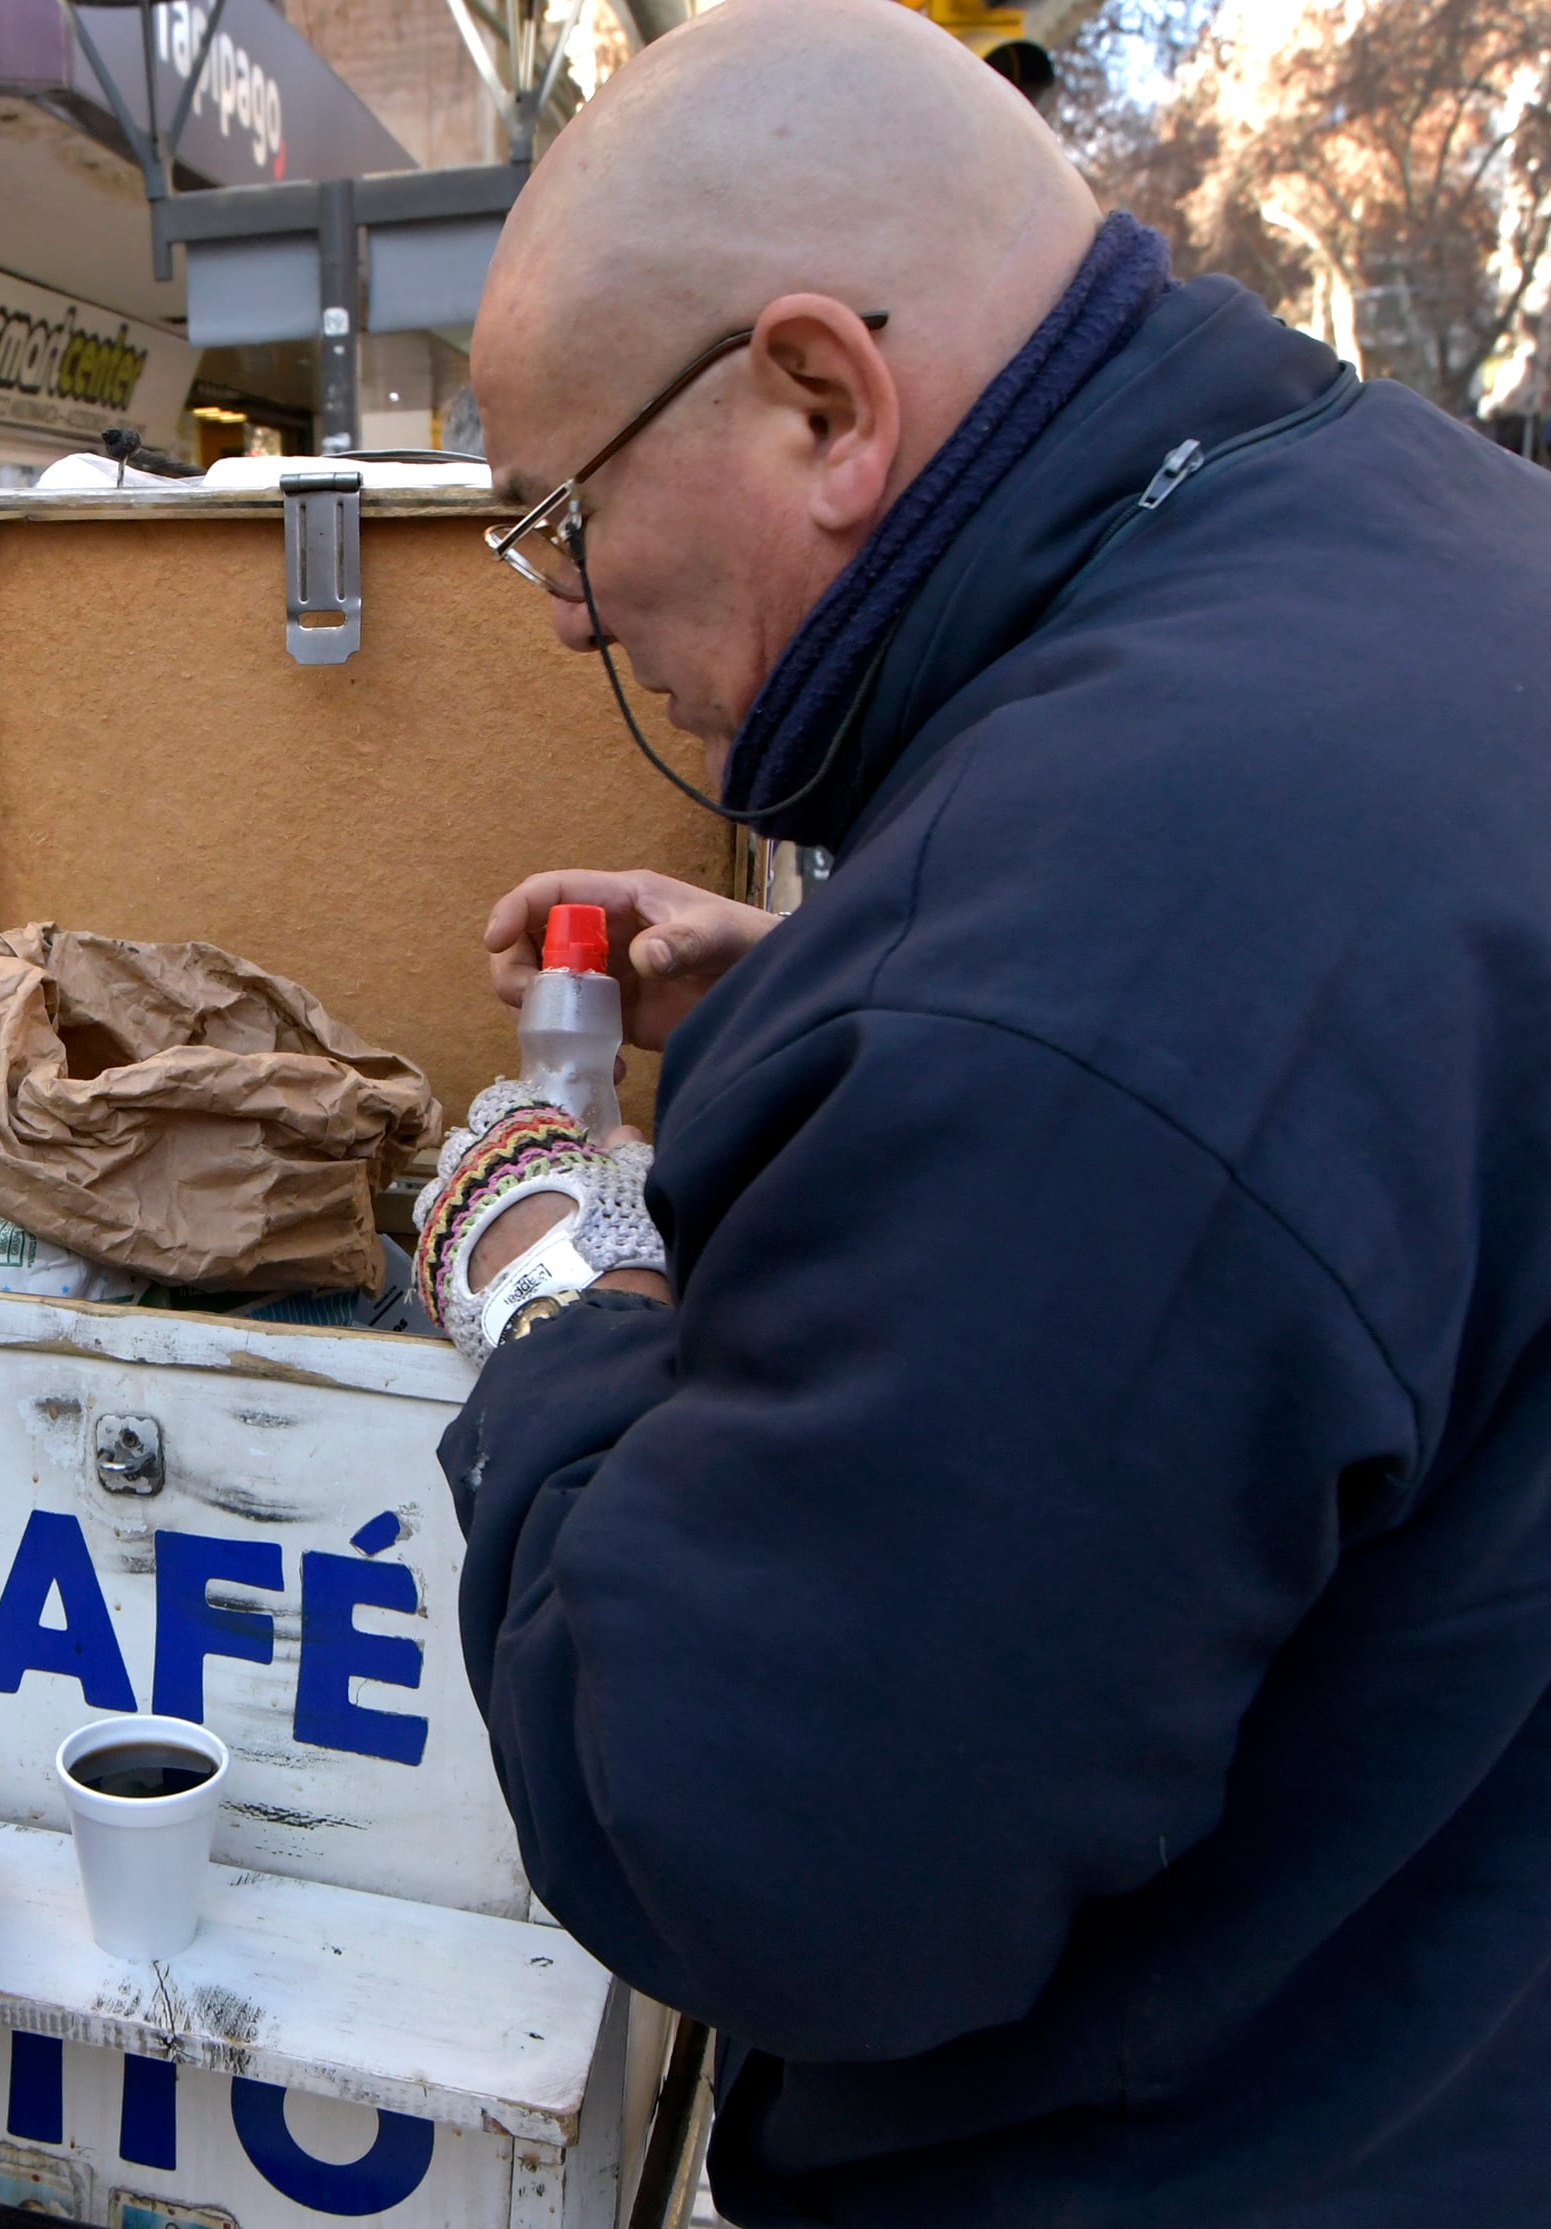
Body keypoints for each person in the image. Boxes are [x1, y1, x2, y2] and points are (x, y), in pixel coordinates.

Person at [406, 0, 1551, 2221]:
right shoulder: (1430, 545)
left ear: (823, 398)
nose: (560, 615)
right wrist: (852, 1012)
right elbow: (1292, 1129)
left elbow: (765, 1851)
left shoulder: (1076, 962)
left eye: (561, 514)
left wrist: (552, 1289)